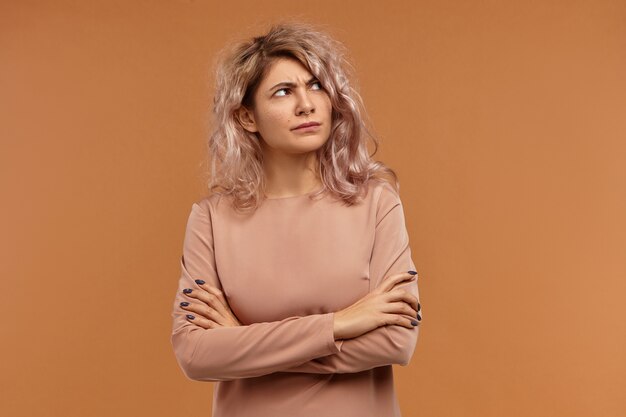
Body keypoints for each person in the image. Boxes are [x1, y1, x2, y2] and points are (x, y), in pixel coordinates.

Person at [170, 21, 422, 417]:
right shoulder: (211, 220)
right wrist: (338, 324)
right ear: (247, 118)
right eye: (284, 91)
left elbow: (394, 342)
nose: (306, 104)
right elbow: (195, 353)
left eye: (316, 85)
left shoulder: (377, 203)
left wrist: (242, 342)